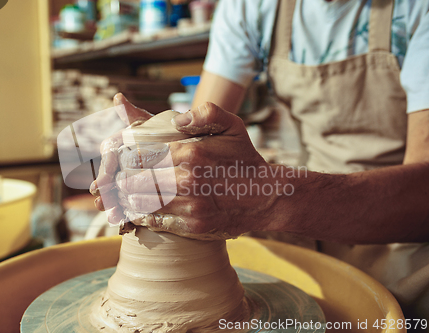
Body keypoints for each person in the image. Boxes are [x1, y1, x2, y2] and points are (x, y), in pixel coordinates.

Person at [91, 0, 429, 320]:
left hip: (394, 212)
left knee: (409, 301)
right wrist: (154, 143)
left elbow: (422, 195)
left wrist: (270, 196)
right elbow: (196, 131)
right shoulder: (253, 6)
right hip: (304, 187)